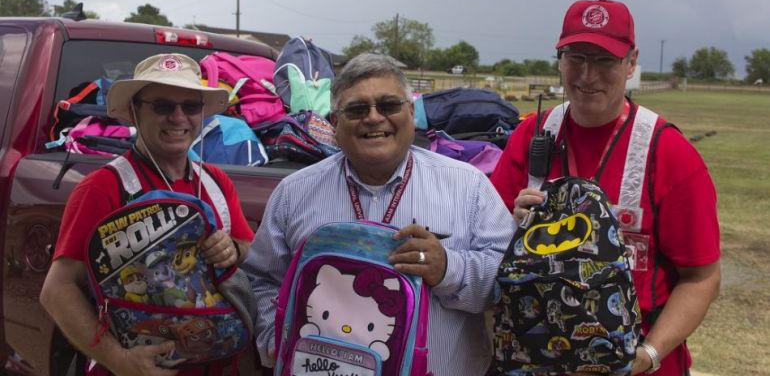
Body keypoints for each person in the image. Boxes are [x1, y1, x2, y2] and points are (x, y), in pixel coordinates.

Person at [243, 53, 515, 375]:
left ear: (411, 113)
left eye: (388, 105)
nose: (374, 118)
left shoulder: (468, 186)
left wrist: (447, 268)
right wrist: (274, 337)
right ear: (334, 123)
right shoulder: (294, 193)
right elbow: (261, 278)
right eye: (357, 110)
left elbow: (508, 280)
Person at [490, 0, 721, 375]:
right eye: (576, 57)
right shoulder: (530, 137)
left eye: (605, 60)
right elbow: (485, 246)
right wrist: (510, 228)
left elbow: (703, 276)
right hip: (535, 359)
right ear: (559, 59)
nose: (587, 75)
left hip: (635, 362)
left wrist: (649, 355)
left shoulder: (668, 152)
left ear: (631, 63)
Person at [40, 53, 254, 376]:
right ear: (134, 112)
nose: (179, 117)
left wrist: (233, 249)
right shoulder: (103, 188)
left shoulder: (216, 182)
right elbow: (57, 291)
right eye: (163, 106)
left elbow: (249, 248)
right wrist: (119, 360)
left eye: (191, 106)